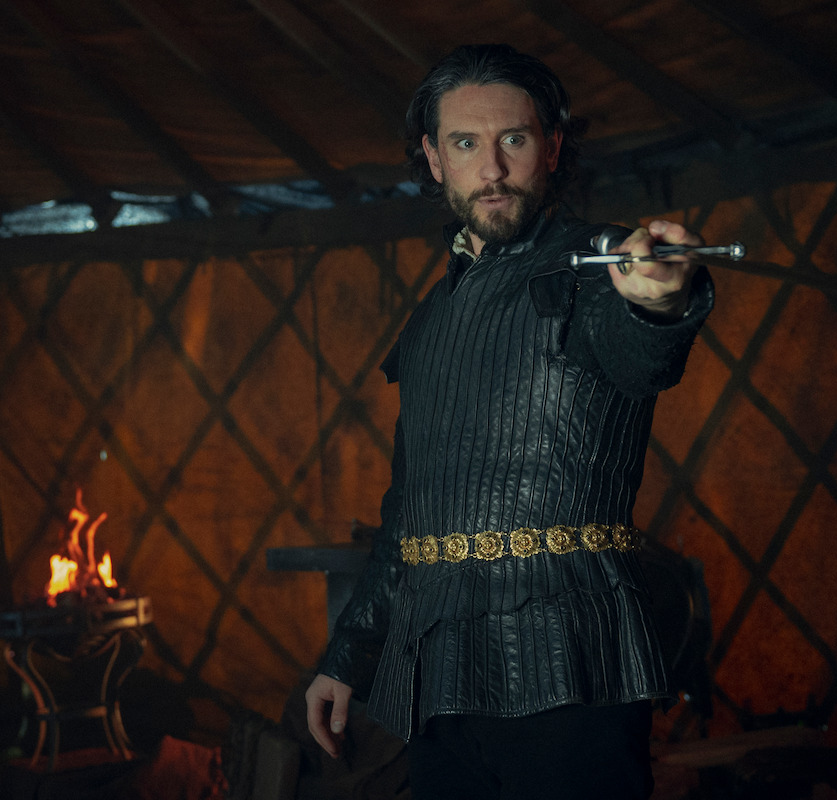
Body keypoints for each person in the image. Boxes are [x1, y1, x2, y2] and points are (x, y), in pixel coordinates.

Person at [305, 43, 716, 799]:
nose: (491, 169)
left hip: (573, 664)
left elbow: (641, 349)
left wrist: (659, 297)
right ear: (434, 158)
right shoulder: (430, 322)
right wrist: (348, 657)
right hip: (440, 673)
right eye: (466, 143)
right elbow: (408, 514)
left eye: (514, 140)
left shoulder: (593, 273)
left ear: (552, 146)